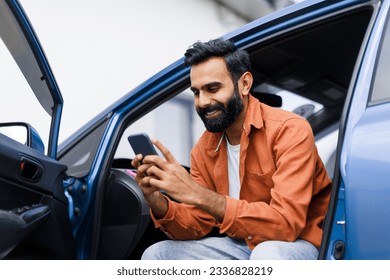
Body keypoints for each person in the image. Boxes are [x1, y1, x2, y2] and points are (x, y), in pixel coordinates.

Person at [131, 38, 332, 260]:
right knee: (157, 255)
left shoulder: (290, 130)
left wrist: (197, 193)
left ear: (245, 84)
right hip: (241, 244)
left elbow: (285, 225)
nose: (203, 102)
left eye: (213, 88)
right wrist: (157, 202)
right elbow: (198, 224)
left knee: (268, 254)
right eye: (197, 92)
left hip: (297, 244)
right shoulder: (204, 148)